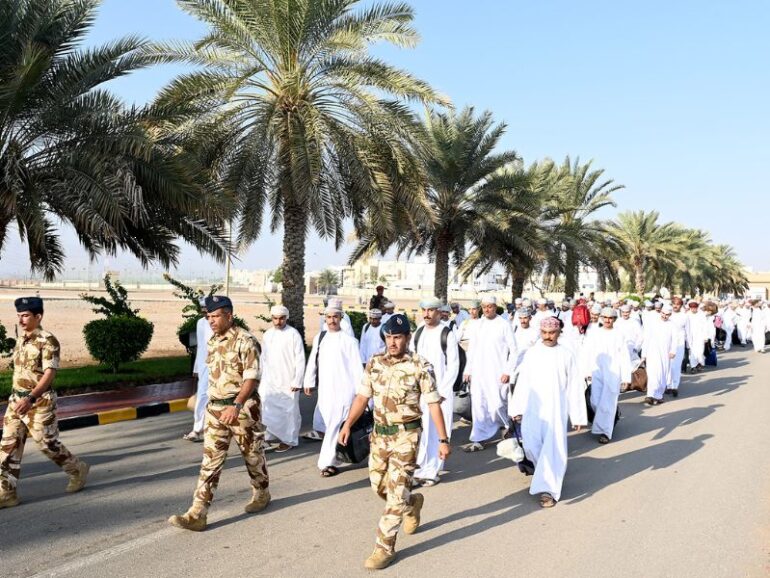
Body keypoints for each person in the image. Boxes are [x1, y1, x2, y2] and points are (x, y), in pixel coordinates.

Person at [339, 314, 451, 570]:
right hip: (379, 435)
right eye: (389, 337)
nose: (392, 342)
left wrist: (443, 440)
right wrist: (346, 425)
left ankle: (384, 548)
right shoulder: (375, 363)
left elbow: (433, 404)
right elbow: (361, 397)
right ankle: (412, 504)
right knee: (379, 486)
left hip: (406, 436)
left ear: (407, 338)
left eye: (397, 337)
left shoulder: (420, 366)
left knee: (396, 492)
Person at [169, 296, 269, 531]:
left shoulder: (246, 341)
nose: (210, 321)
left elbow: (251, 378)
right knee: (210, 462)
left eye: (215, 316)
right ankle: (197, 513)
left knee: (252, 456)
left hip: (242, 409)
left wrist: (236, 405)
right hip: (215, 410)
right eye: (208, 316)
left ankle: (262, 492)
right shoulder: (213, 341)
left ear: (229, 316)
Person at [0, 297, 89, 509]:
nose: (21, 320)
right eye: (19, 316)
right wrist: (19, 398)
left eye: (25, 316)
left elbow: (49, 374)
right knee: (7, 445)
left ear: (38, 316)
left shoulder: (48, 341)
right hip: (16, 400)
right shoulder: (21, 340)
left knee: (47, 443)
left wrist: (31, 399)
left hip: (39, 401)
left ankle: (77, 469)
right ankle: (6, 493)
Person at [509, 316, 587, 508]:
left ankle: (548, 491)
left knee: (552, 448)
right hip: (533, 409)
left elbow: (574, 387)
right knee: (531, 445)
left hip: (556, 410)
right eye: (544, 333)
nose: (548, 336)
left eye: (552, 333)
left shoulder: (567, 355)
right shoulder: (532, 353)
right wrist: (517, 408)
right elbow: (524, 382)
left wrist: (577, 416)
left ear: (559, 332)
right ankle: (544, 472)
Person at [303, 305, 363, 477]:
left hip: (345, 390)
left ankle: (325, 462)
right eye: (328, 317)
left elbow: (357, 368)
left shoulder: (350, 341)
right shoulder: (320, 338)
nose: (332, 320)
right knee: (331, 425)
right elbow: (313, 360)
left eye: (335, 317)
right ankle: (336, 458)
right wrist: (308, 381)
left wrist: (361, 393)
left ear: (341, 318)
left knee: (335, 424)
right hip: (326, 391)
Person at [410, 298, 459, 486]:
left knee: (439, 431)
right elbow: (413, 359)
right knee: (422, 428)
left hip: (440, 393)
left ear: (439, 312)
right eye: (424, 310)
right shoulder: (420, 331)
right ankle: (421, 467)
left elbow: (453, 365)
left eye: (431, 310)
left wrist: (443, 391)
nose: (427, 314)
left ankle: (433, 470)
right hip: (421, 391)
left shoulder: (446, 333)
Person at [463, 295, 518, 451]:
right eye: (484, 306)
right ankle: (479, 439)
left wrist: (508, 371)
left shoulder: (503, 324)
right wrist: (468, 369)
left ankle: (506, 427)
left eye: (490, 306)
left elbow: (514, 351)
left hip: (497, 372)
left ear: (495, 307)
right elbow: (471, 349)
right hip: (479, 372)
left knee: (498, 404)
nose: (487, 309)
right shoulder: (478, 325)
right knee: (479, 405)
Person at [259, 305, 306, 452]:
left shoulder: (293, 334)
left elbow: (300, 359)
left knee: (289, 411)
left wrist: (297, 381)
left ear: (286, 318)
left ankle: (289, 440)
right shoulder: (267, 335)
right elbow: (263, 358)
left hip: (288, 380)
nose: (278, 322)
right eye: (275, 318)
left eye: (281, 318)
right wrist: (260, 377)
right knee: (268, 408)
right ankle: (271, 435)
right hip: (270, 380)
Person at [581, 307, 632, 443]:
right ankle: (613, 415)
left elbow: (624, 356)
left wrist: (626, 377)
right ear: (601, 318)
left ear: (614, 319)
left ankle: (605, 433)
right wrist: (586, 370)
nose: (607, 320)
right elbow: (588, 352)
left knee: (608, 402)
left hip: (614, 373)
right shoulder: (594, 334)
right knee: (595, 401)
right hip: (597, 371)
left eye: (610, 318)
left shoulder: (619, 334)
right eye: (605, 317)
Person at [184, 298, 213, 442]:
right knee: (202, 396)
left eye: (206, 308)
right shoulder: (200, 323)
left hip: (222, 366)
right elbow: (201, 347)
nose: (204, 312)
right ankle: (197, 429)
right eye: (202, 309)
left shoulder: (222, 322)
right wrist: (196, 367)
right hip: (204, 366)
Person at [642, 304, 676, 404]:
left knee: (663, 374)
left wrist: (673, 351)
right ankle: (650, 395)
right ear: (660, 312)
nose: (664, 316)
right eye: (663, 314)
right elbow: (646, 338)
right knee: (652, 373)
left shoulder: (672, 325)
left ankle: (659, 395)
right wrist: (644, 354)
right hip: (652, 352)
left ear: (670, 315)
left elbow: (675, 340)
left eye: (667, 315)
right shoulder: (652, 323)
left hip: (665, 353)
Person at [667, 298, 688, 396]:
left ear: (681, 305)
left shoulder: (684, 316)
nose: (675, 306)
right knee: (668, 365)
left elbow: (688, 331)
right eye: (674, 304)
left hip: (679, 344)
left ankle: (674, 386)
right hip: (668, 343)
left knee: (676, 365)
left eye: (678, 304)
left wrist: (689, 344)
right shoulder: (668, 314)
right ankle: (668, 385)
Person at [685, 301, 709, 372]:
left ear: (697, 308)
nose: (693, 310)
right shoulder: (687, 315)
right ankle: (693, 367)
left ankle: (699, 363)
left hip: (700, 336)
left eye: (694, 308)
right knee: (692, 352)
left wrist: (705, 337)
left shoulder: (701, 314)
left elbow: (705, 326)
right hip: (690, 336)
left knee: (700, 351)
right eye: (691, 308)